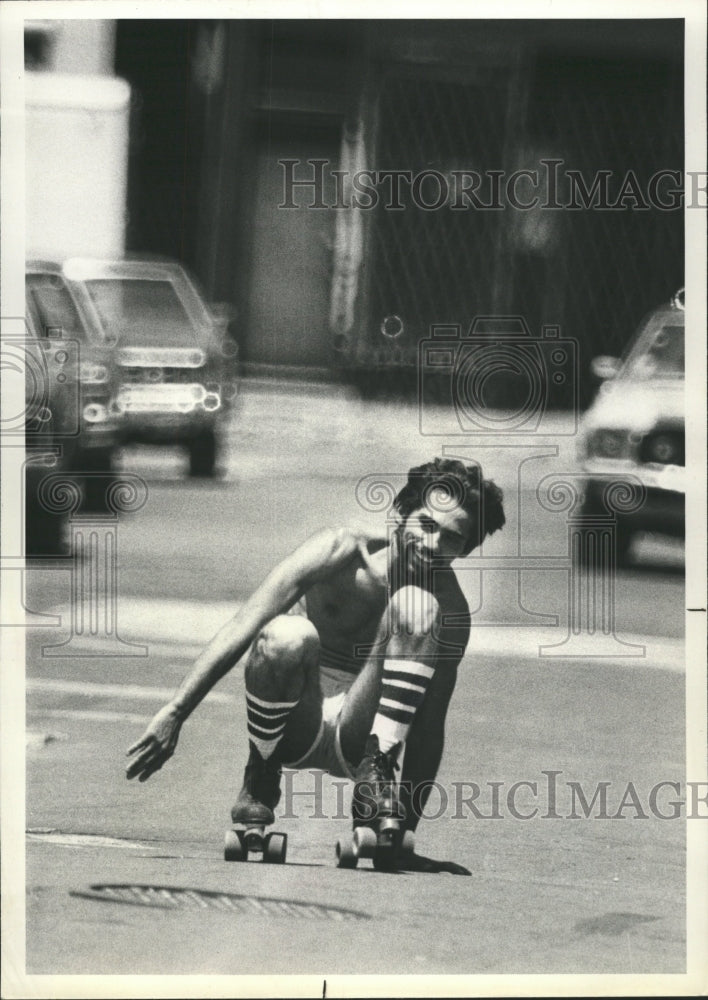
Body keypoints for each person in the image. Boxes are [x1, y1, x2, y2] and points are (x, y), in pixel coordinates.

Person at [126, 457, 505, 873]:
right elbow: (244, 625)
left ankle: (375, 780)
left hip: (360, 737)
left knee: (417, 607)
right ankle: (261, 773)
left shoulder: (448, 610)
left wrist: (402, 831)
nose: (433, 546)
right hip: (292, 720)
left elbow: (430, 725)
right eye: (426, 526)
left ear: (466, 549)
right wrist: (176, 713)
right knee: (289, 634)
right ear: (400, 515)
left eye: (452, 540)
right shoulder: (339, 551)